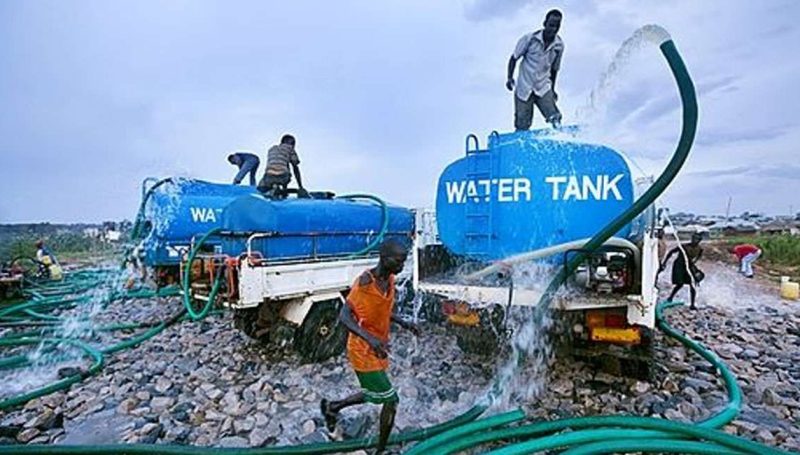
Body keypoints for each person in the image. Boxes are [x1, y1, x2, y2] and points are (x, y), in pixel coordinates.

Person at [320, 240, 419, 454]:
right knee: (391, 400)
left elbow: (380, 310)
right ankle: (380, 451)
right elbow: (344, 316)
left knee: (375, 391)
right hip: (362, 350)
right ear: (384, 258)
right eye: (399, 261)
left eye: (404, 261)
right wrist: (370, 339)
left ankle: (332, 407)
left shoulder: (390, 280)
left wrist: (404, 323)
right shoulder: (365, 282)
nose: (402, 267)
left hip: (378, 347)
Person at [506, 9, 564, 131]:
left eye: (557, 26)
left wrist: (552, 89)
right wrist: (509, 78)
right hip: (524, 87)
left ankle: (560, 141)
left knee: (555, 117)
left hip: (543, 86)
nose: (553, 29)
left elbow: (554, 70)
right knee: (522, 125)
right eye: (551, 25)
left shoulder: (559, 45)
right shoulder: (530, 39)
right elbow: (513, 58)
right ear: (544, 24)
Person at [659, 232, 704, 310]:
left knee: (692, 284)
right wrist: (664, 263)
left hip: (689, 266)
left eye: (696, 239)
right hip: (679, 266)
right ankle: (670, 298)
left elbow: (699, 256)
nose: (694, 240)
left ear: (699, 241)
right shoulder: (684, 247)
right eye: (693, 238)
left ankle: (692, 304)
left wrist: (694, 262)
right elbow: (671, 252)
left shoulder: (700, 249)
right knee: (680, 284)